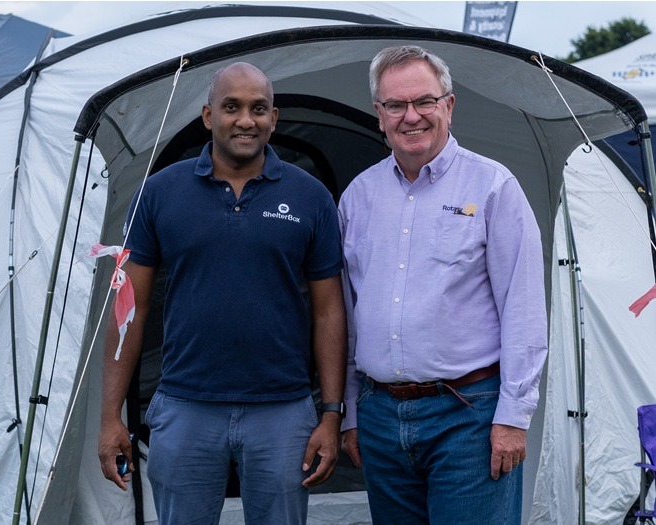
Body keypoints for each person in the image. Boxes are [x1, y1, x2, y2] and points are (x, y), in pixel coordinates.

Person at [98, 62, 347, 525]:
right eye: (231, 107)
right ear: (208, 115)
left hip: (284, 412)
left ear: (275, 117)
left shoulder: (311, 197)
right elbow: (129, 307)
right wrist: (110, 415)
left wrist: (330, 414)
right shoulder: (159, 193)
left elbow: (329, 311)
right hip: (185, 407)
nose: (245, 120)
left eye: (258, 109)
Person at [338, 46, 548, 524]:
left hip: (468, 416)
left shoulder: (494, 188)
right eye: (395, 105)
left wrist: (513, 417)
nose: (411, 116)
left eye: (424, 101)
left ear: (449, 106)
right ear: (379, 115)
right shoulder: (358, 198)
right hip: (379, 418)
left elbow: (524, 308)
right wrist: (351, 413)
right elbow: (348, 318)